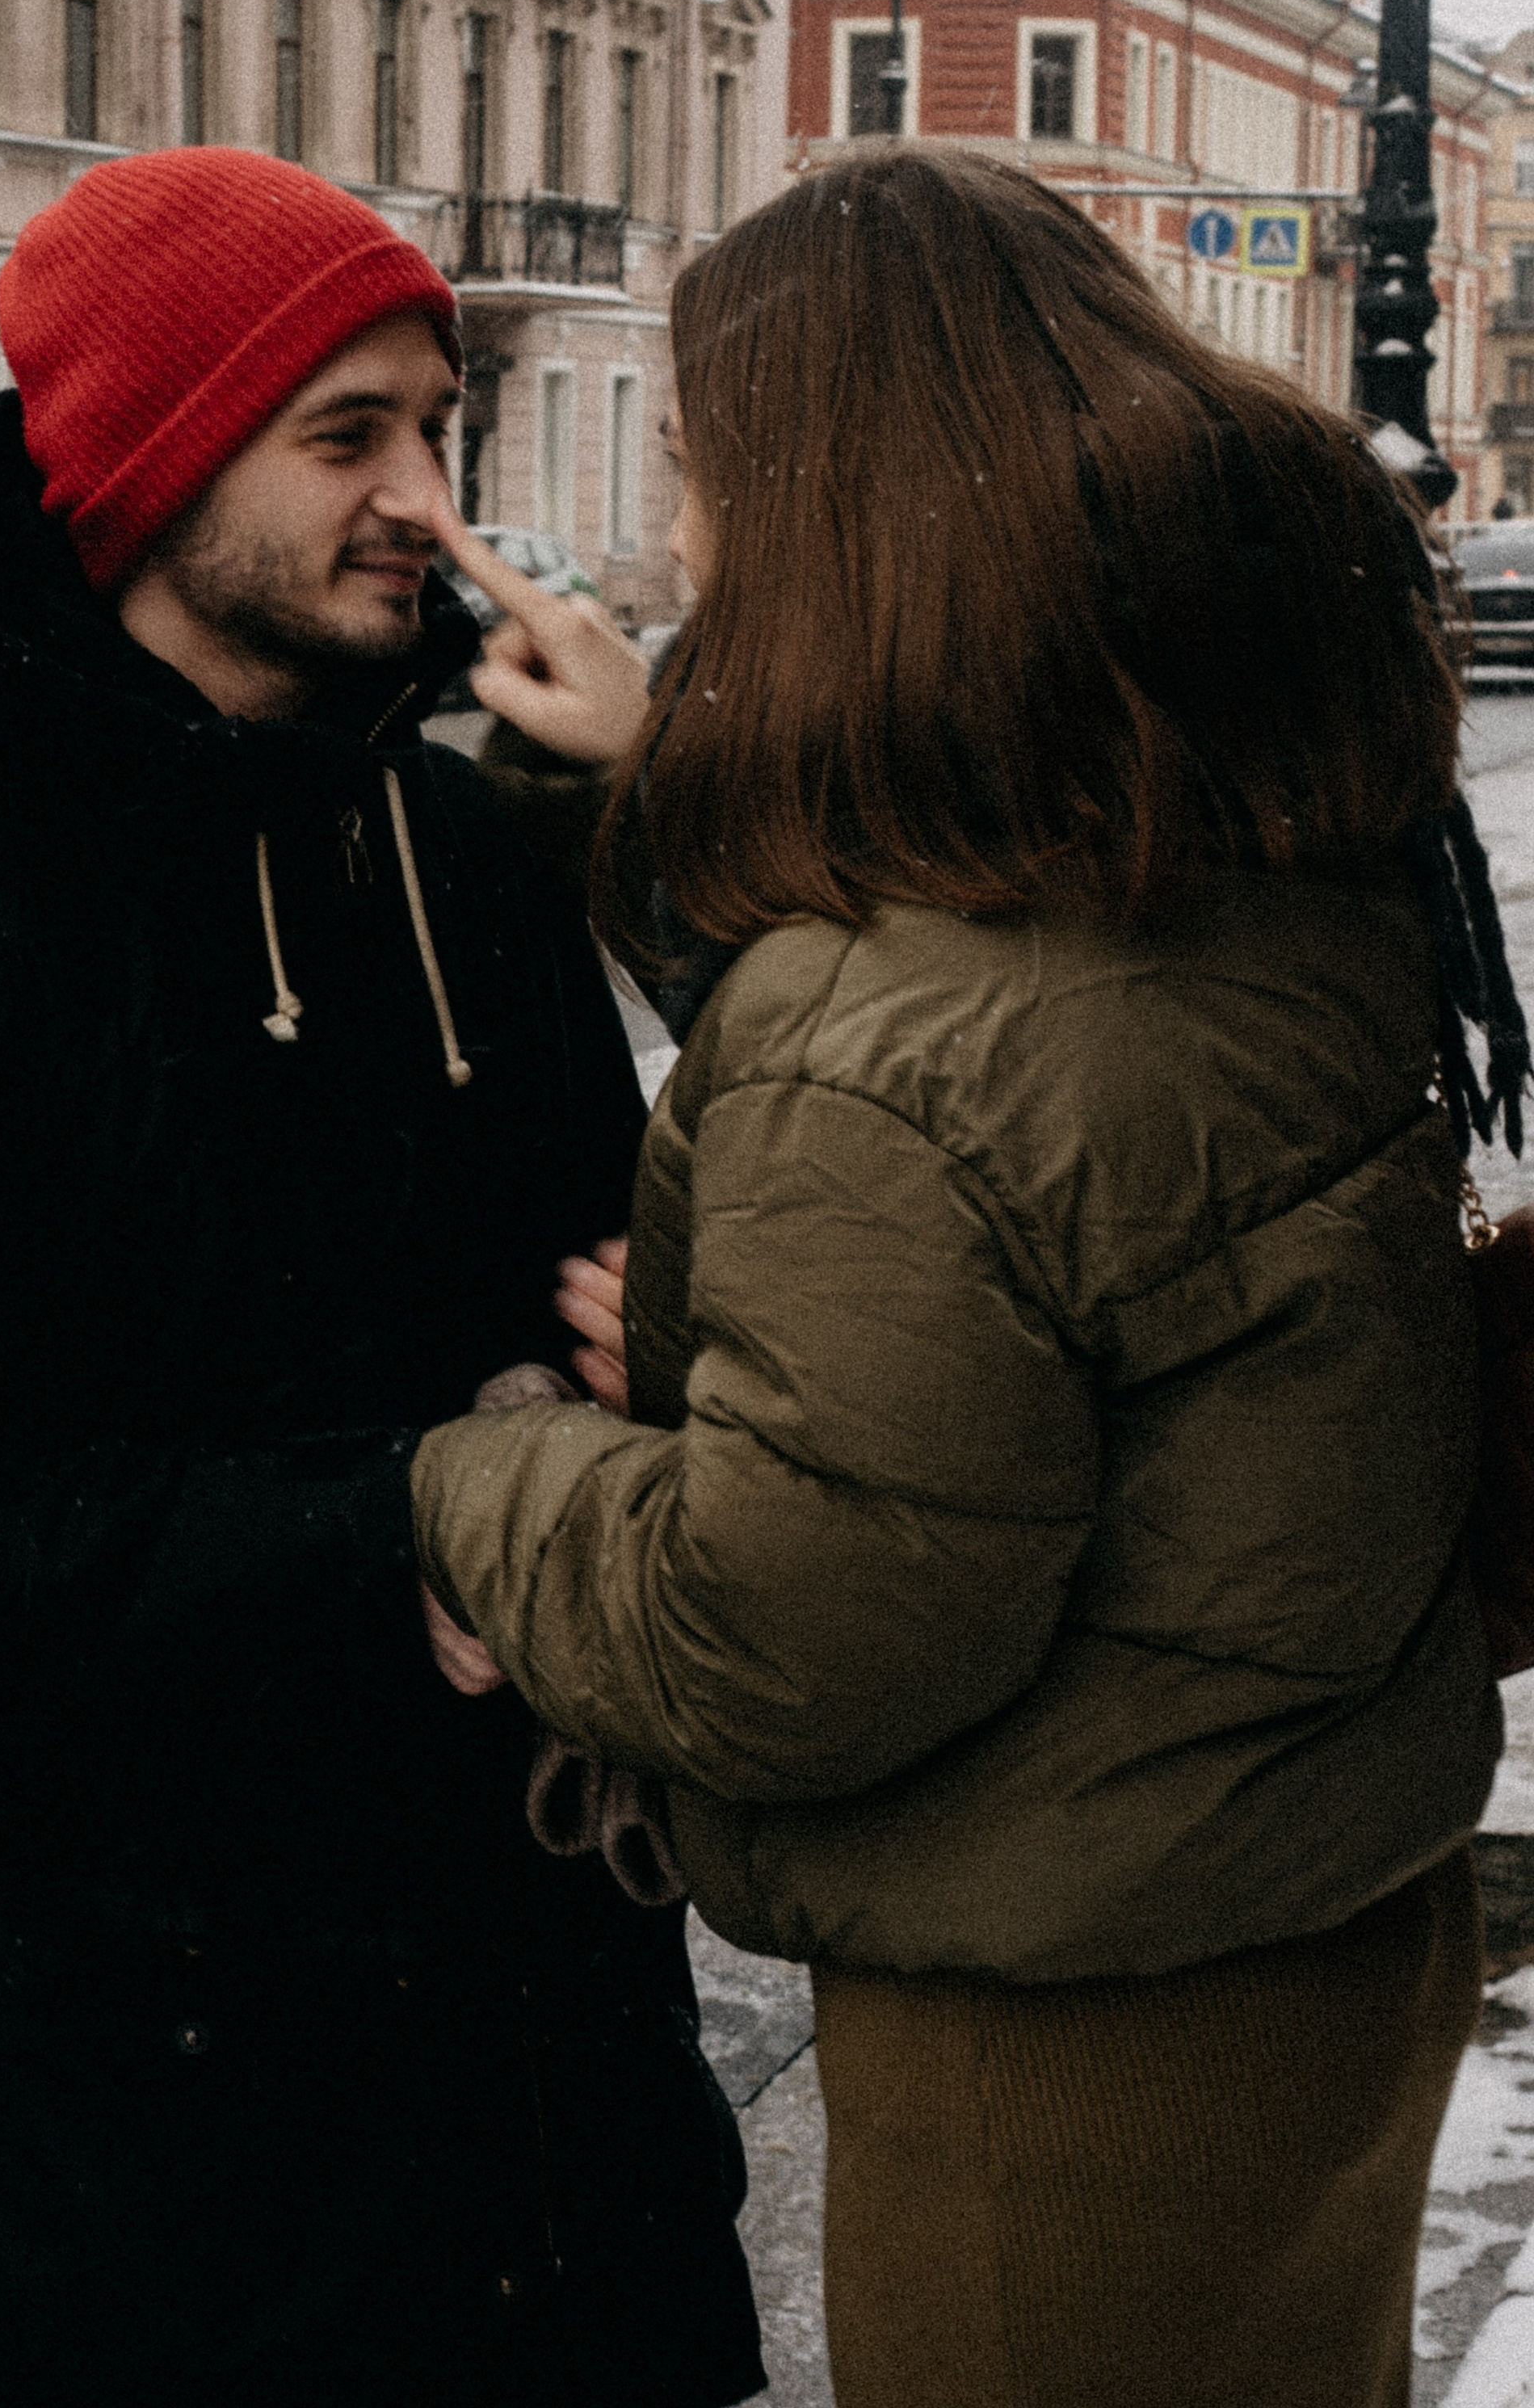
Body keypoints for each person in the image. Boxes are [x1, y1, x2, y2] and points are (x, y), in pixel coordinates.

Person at [411, 143, 1526, 2408]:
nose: (689, 539)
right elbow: (1002, 1067)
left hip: (1073, 2030)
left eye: (713, 480)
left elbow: (788, 1629)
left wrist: (466, 1481)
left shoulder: (897, 1054)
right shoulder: (1240, 838)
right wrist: (651, 782)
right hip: (1314, 1918)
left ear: (834, 517)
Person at [0, 149, 761, 2408]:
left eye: (435, 433)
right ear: (157, 461)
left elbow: (599, 1288)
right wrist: (397, 1518)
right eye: (345, 434)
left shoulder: (460, 850)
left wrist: (644, 1362)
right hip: (122, 2165)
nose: (425, 501)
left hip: (533, 2107)